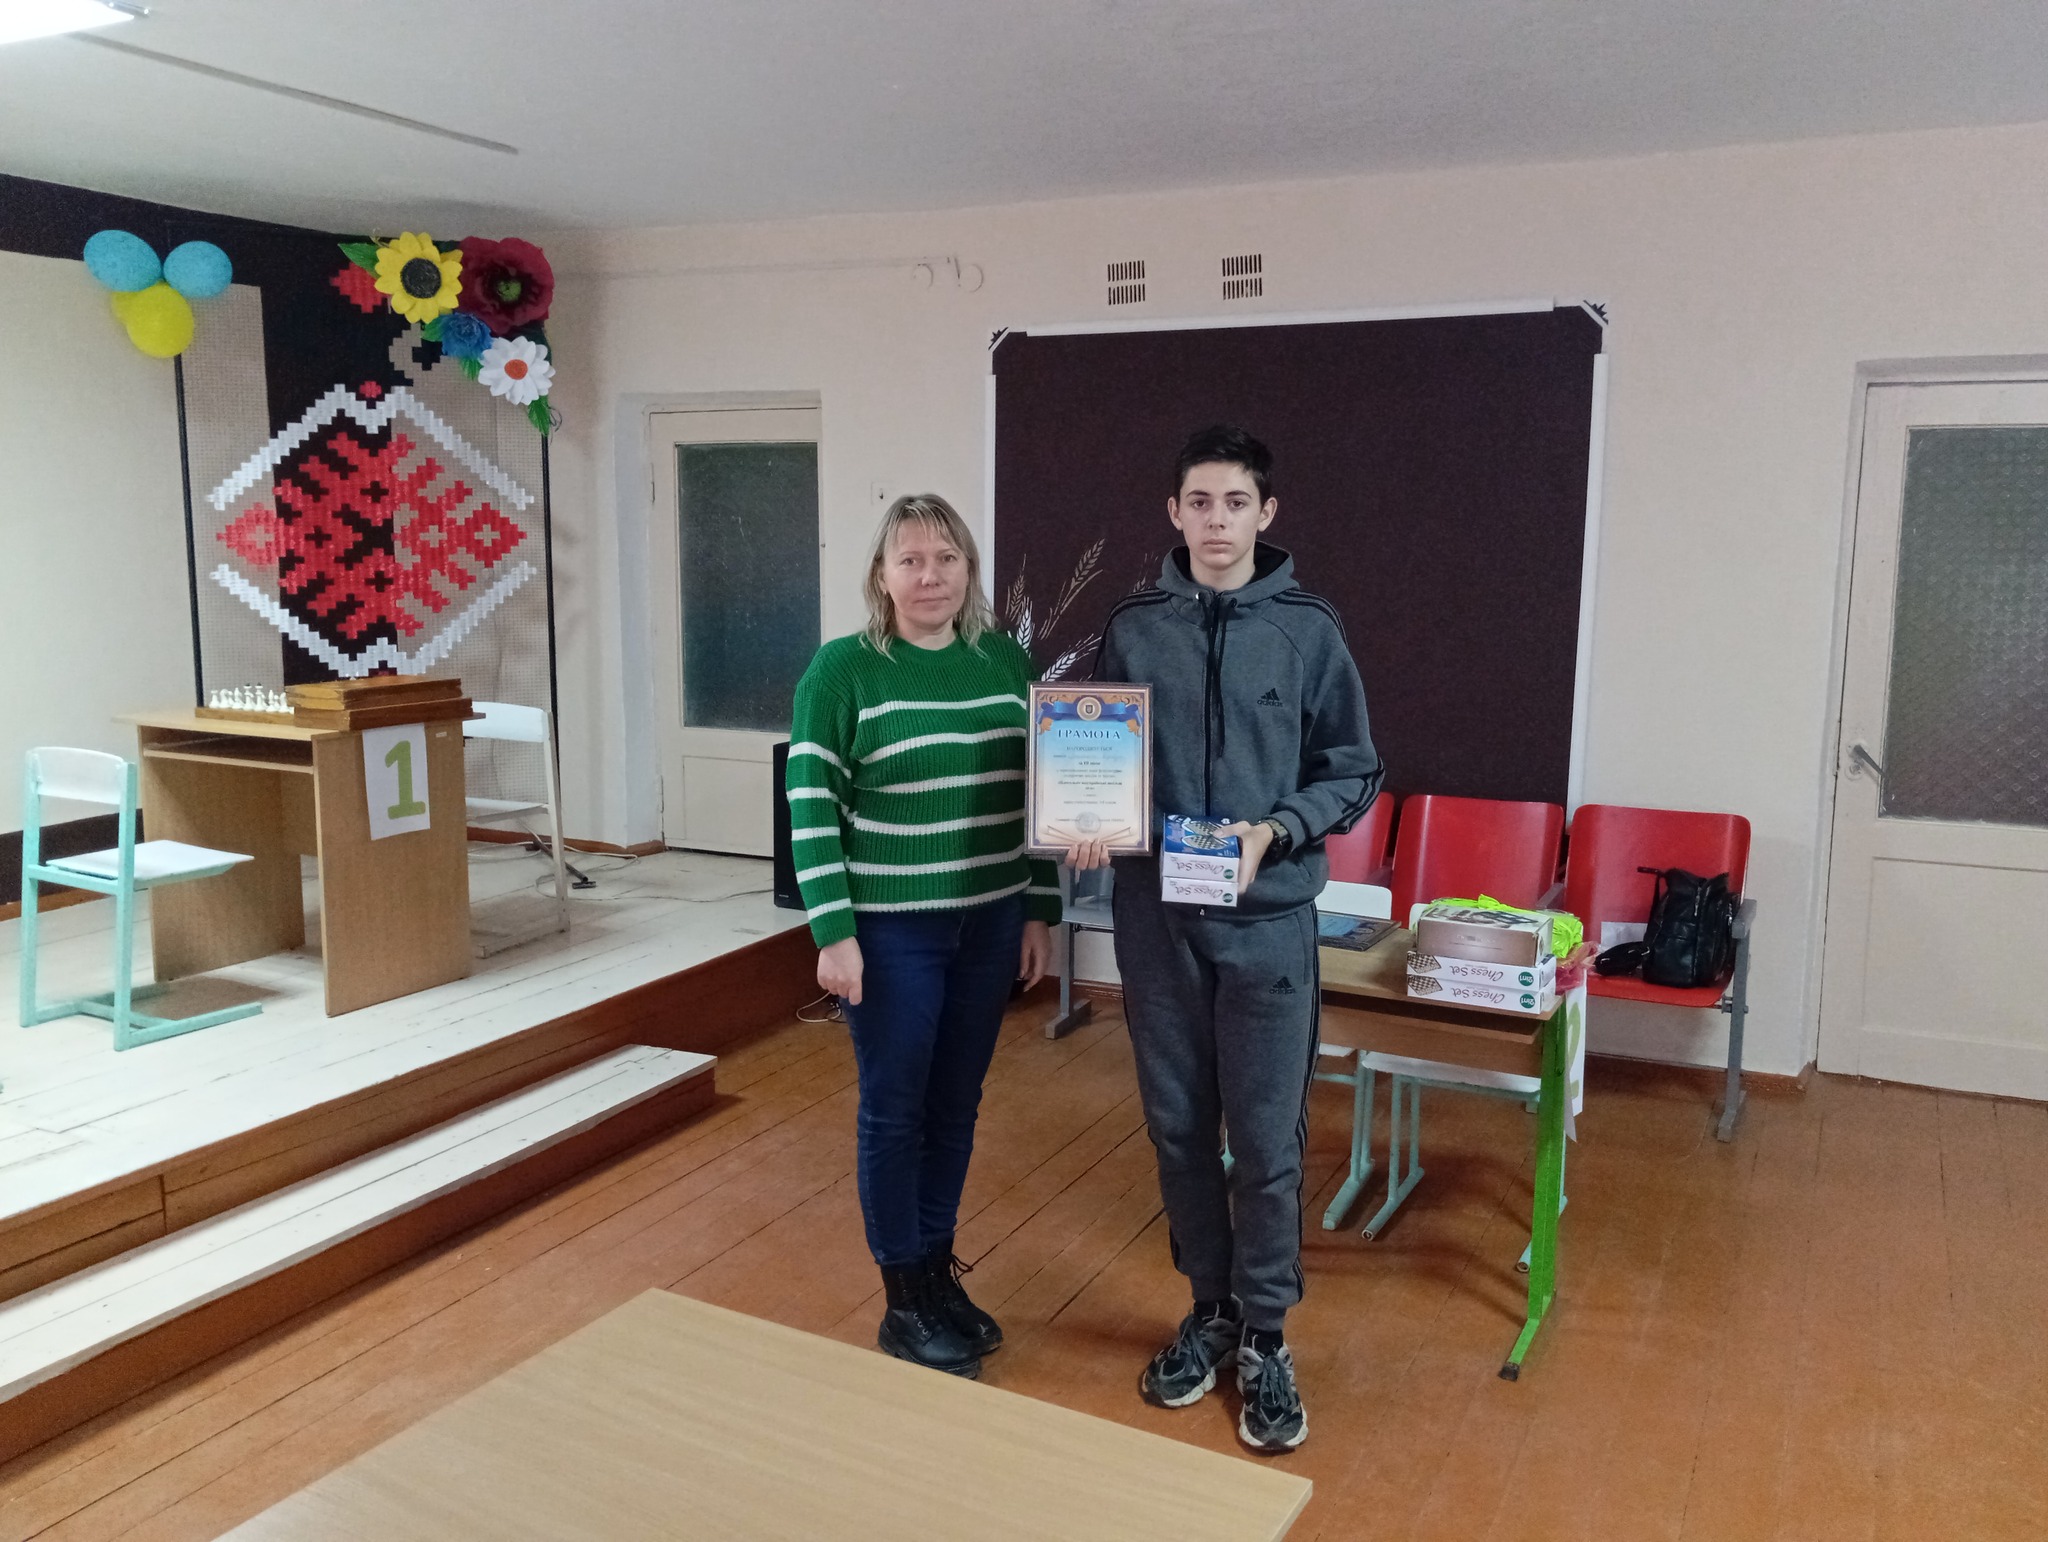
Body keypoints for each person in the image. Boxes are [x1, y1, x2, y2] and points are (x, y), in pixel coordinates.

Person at [1072, 424, 1381, 1453]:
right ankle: (1209, 1311)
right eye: (1198, 502)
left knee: (1265, 1141)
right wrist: (1086, 822)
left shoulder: (1308, 630)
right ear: (1174, 513)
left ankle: (1266, 1337)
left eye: (1234, 503)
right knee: (1175, 1129)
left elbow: (1352, 770)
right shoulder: (1132, 628)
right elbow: (1097, 752)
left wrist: (1275, 832)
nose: (1216, 521)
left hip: (1268, 927)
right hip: (1155, 922)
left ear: (1265, 514)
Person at [787, 493, 1061, 1380]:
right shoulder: (842, 672)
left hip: (990, 919)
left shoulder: (1004, 661)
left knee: (956, 1104)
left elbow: (1042, 794)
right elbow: (811, 807)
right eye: (910, 559)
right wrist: (834, 932)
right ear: (881, 575)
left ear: (968, 569)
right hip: (890, 930)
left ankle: (938, 1274)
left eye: (946, 558)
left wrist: (1039, 908)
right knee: (895, 1107)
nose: (929, 575)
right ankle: (903, 1298)